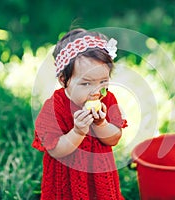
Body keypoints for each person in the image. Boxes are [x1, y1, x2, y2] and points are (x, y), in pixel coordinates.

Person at [32, 28, 127, 200]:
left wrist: (102, 125)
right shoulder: (54, 107)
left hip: (100, 178)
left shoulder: (107, 99)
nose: (96, 91)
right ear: (63, 80)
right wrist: (77, 132)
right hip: (65, 181)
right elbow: (55, 151)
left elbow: (114, 138)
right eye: (86, 84)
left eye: (103, 82)